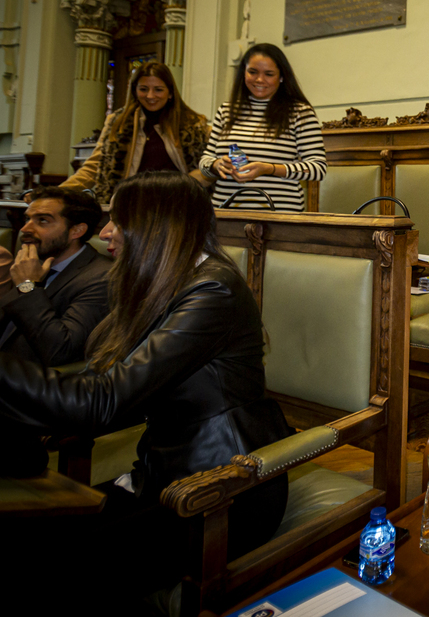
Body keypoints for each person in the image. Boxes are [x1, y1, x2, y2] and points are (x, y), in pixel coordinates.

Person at [0, 172, 291, 608]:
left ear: (159, 225)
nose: (106, 233)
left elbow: (103, 400)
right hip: (164, 473)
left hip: (224, 490)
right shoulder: (160, 281)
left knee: (48, 574)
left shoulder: (213, 290)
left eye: (119, 219)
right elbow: (104, 387)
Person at [62, 61, 210, 204]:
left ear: (170, 93)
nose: (150, 96)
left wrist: (184, 187)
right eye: (143, 89)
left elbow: (206, 168)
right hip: (128, 204)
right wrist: (60, 192)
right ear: (134, 90)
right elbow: (95, 165)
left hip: (176, 204)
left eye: (158, 89)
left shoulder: (194, 124)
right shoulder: (117, 121)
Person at [200, 43, 326, 211]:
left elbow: (317, 168)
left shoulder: (300, 113)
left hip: (279, 214)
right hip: (225, 212)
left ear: (281, 77)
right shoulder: (226, 110)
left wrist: (269, 168)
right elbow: (205, 161)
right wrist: (216, 165)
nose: (259, 80)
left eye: (269, 74)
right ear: (243, 73)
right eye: (252, 72)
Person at [0, 186, 110, 366]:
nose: (25, 229)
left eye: (42, 220)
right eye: (27, 219)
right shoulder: (32, 262)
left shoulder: (101, 278)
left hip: (30, 386)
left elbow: (61, 351)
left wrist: (27, 286)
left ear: (77, 231)